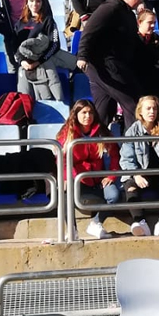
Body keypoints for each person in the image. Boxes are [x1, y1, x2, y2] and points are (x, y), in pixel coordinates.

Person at [77, 0, 147, 129]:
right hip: (105, 65)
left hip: (116, 65)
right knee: (133, 104)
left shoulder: (129, 14)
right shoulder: (110, 8)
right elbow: (89, 31)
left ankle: (96, 146)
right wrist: (82, 55)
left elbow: (133, 43)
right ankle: (133, 145)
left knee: (104, 111)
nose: (142, 0)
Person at [57, 99, 120, 239]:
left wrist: (111, 176)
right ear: (76, 114)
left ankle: (96, 223)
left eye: (90, 112)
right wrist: (66, 177)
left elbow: (115, 156)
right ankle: (72, 229)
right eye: (84, 112)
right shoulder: (67, 132)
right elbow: (62, 159)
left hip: (98, 179)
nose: (88, 116)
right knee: (65, 192)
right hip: (78, 179)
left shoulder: (102, 132)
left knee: (114, 195)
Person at [119, 95, 159, 236]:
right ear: (140, 111)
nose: (151, 112)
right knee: (129, 185)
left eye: (154, 108)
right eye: (148, 108)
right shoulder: (132, 131)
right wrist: (136, 175)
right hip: (139, 171)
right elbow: (126, 159)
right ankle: (139, 221)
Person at [13, 0, 77, 101]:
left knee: (76, 64)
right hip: (26, 62)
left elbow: (55, 45)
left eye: (38, 1)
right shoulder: (20, 23)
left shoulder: (48, 20)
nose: (35, 4)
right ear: (27, 3)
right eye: (32, 1)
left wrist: (39, 61)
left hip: (45, 59)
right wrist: (22, 61)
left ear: (43, 3)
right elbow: (15, 47)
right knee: (23, 91)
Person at [136, 9, 159, 109]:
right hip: (138, 91)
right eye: (149, 22)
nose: (153, 26)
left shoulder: (158, 41)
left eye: (154, 23)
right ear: (139, 22)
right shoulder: (133, 41)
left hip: (158, 91)